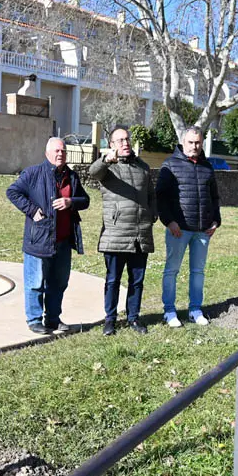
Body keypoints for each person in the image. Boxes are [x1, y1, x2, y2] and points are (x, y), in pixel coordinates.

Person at [6, 137, 90, 334]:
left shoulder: (72, 176)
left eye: (63, 151)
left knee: (58, 282)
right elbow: (13, 192)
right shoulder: (33, 173)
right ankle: (34, 319)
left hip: (63, 240)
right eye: (56, 151)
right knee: (35, 282)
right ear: (47, 153)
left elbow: (85, 200)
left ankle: (52, 318)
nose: (60, 154)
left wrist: (71, 201)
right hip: (39, 239)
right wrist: (32, 210)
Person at [89, 127, 155, 336]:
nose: (125, 143)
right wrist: (106, 160)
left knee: (137, 281)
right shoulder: (108, 168)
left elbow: (151, 194)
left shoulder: (143, 167)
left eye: (127, 139)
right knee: (112, 280)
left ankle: (133, 318)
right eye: (120, 140)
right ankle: (110, 320)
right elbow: (93, 172)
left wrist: (153, 214)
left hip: (139, 235)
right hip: (115, 234)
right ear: (112, 145)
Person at [156, 126, 221, 327]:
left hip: (202, 230)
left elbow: (214, 197)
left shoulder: (207, 166)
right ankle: (169, 311)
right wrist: (169, 221)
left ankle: (195, 309)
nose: (195, 146)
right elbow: (160, 197)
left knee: (198, 271)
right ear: (183, 142)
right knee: (171, 270)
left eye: (198, 143)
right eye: (191, 142)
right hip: (179, 229)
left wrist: (216, 220)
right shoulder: (170, 165)